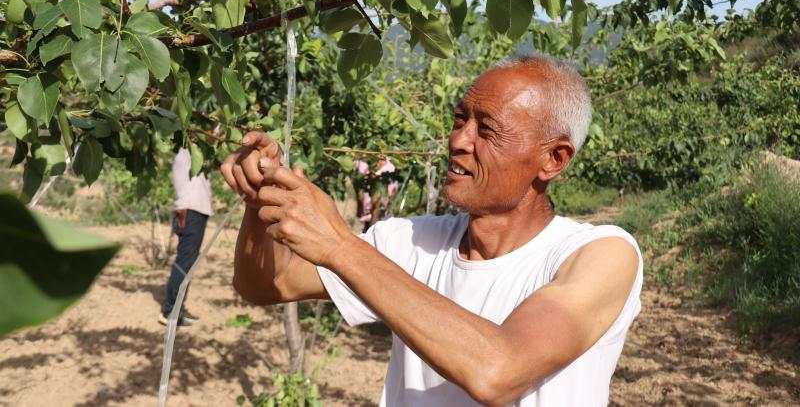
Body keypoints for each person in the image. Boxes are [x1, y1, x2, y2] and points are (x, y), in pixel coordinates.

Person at [221, 55, 643, 406]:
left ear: (553, 159)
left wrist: (340, 245)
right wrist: (260, 196)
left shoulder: (601, 255)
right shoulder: (411, 241)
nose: (459, 140)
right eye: (461, 119)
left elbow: (499, 371)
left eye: (487, 129)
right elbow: (265, 285)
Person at [159, 147, 214, 326]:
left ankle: (177, 308)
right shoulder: (188, 150)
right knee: (184, 262)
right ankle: (169, 311)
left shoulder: (196, 152)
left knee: (188, 262)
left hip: (194, 211)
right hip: (191, 211)